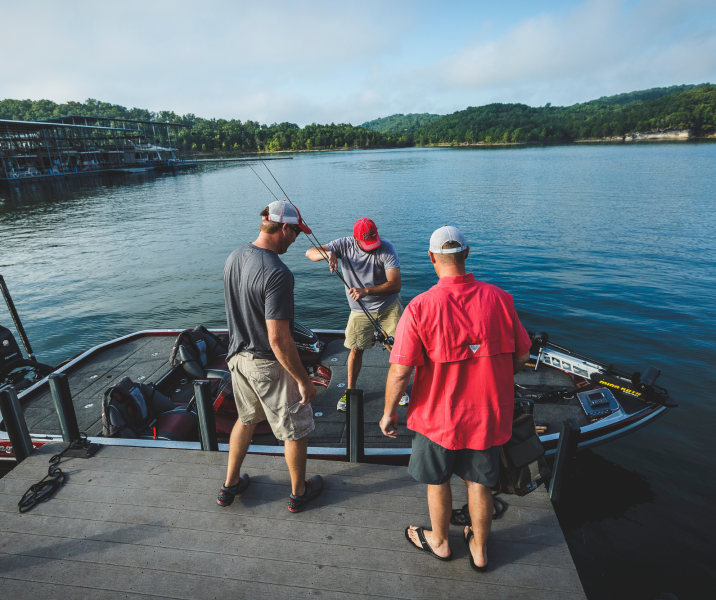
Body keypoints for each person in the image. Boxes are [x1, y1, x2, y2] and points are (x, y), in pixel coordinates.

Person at [379, 225, 531, 572]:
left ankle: (441, 541)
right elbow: (522, 356)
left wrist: (389, 412)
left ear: (432, 258)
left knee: (438, 481)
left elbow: (400, 371)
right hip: (488, 416)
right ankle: (478, 548)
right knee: (480, 484)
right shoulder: (500, 299)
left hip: (437, 419)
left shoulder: (419, 307)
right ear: (466, 254)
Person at [220, 200, 324, 513]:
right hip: (266, 364)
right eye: (296, 233)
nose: (295, 240)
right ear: (284, 228)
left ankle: (231, 485)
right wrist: (303, 381)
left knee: (246, 419)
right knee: (295, 429)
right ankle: (299, 492)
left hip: (237, 359)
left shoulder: (235, 256)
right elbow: (278, 339)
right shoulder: (278, 273)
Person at [305, 218, 404, 412]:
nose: (371, 247)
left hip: (389, 306)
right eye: (366, 244)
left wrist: (366, 291)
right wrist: (328, 254)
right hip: (359, 310)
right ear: (355, 239)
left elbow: (395, 284)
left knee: (397, 350)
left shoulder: (387, 247)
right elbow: (309, 253)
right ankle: (350, 391)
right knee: (355, 350)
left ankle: (399, 389)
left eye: (373, 242)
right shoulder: (343, 244)